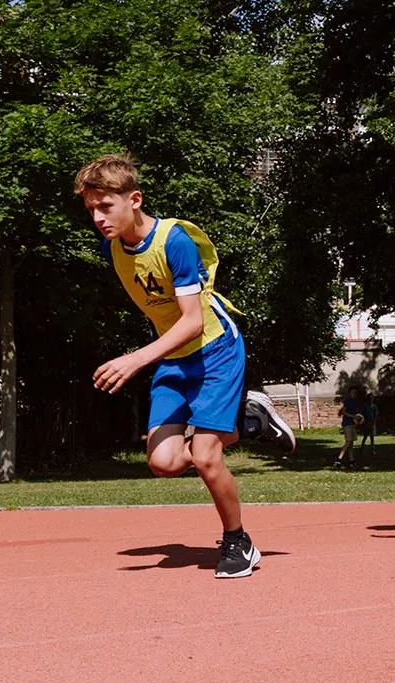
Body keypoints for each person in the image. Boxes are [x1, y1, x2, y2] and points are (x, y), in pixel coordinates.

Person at [75, 155, 261, 577]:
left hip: (215, 349)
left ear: (135, 199)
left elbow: (193, 320)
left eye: (106, 206)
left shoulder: (174, 241)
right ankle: (249, 422)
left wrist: (137, 358)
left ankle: (238, 541)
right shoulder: (112, 248)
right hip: (174, 357)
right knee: (164, 462)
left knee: (206, 456)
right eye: (91, 209)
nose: (98, 218)